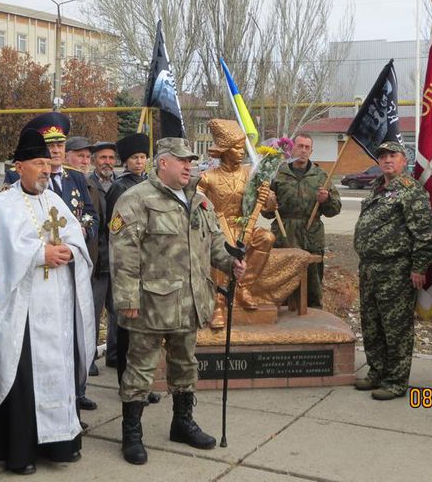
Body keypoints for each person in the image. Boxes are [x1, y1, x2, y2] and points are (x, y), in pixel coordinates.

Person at [109, 137, 246, 465]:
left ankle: (182, 423)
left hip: (189, 301)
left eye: (191, 161)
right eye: (182, 160)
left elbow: (213, 242)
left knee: (185, 365)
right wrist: (127, 298)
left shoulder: (199, 201)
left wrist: (230, 262)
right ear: (163, 163)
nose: (189, 166)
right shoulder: (136, 200)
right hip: (150, 305)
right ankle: (132, 434)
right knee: (140, 371)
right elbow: (123, 255)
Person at [0, 127, 96, 475]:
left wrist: (70, 252)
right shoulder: (3, 204)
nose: (46, 170)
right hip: (23, 310)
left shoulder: (55, 201)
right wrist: (37, 253)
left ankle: (59, 446)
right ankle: (21, 451)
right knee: (24, 378)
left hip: (56, 307)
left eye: (48, 163)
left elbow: (76, 238)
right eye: (39, 163)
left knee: (58, 372)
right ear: (19, 166)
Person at [22, 115, 98, 413]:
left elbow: (90, 214)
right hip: (42, 273)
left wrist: (82, 231)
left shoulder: (75, 178)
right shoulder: (20, 178)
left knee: (74, 331)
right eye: (50, 145)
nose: (55, 150)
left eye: (59, 144)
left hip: (71, 266)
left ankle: (77, 392)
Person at [354, 141, 432, 400]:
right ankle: (377, 371)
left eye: (393, 155)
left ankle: (396, 381)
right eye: (383, 156)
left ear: (403, 160)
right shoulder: (377, 188)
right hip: (369, 269)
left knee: (396, 327)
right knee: (372, 324)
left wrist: (419, 266)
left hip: (396, 269)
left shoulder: (411, 191)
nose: (387, 160)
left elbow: (423, 232)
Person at [198, 119, 271, 327]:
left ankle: (243, 287)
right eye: (237, 148)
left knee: (267, 237)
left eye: (242, 148)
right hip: (219, 227)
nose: (241, 152)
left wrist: (267, 196)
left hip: (245, 225)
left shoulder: (251, 173)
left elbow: (269, 207)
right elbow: (196, 204)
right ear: (225, 151)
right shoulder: (208, 177)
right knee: (222, 249)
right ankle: (218, 304)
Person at [104, 133, 160, 404]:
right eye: (135, 158)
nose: (140, 162)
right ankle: (127, 384)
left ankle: (143, 385)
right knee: (127, 328)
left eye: (142, 158)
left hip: (148, 264)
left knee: (145, 332)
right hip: (128, 261)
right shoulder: (120, 187)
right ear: (126, 162)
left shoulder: (151, 184)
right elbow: (114, 225)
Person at [269, 133, 341, 308]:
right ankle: (283, 321)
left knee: (312, 279)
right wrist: (268, 204)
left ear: (311, 150)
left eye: (307, 147)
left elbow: (334, 209)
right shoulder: (279, 175)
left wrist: (327, 199)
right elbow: (268, 213)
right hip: (284, 233)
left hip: (311, 234)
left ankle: (313, 316)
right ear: (293, 148)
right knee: (283, 278)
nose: (303, 151)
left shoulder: (321, 176)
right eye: (300, 146)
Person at [66, 136, 104, 378]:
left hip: (83, 261)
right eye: (80, 155)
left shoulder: (80, 182)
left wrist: (84, 228)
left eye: (88, 157)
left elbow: (91, 215)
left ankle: (79, 383)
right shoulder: (57, 181)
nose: (84, 160)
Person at [89, 141, 118, 368]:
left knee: (117, 312)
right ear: (94, 160)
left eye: (110, 158)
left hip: (118, 261)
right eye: (102, 158)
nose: (107, 162)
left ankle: (114, 355)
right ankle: (88, 359)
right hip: (97, 262)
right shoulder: (87, 185)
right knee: (92, 312)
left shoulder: (120, 184)